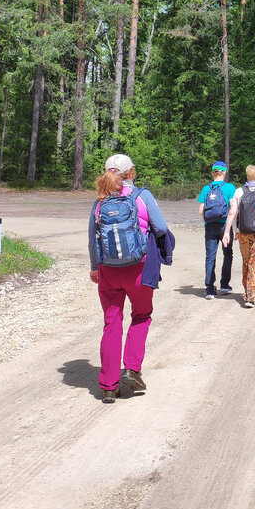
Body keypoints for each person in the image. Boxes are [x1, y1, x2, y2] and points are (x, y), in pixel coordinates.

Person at [87, 154, 173, 404]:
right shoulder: (142, 196)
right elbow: (161, 228)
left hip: (108, 270)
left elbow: (92, 238)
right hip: (139, 268)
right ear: (131, 172)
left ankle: (108, 386)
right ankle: (131, 369)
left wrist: (95, 268)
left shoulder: (100, 201)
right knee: (141, 315)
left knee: (111, 323)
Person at [221, 164, 255, 308]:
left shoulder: (239, 191)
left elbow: (233, 213)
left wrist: (228, 231)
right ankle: (251, 297)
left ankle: (247, 292)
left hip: (243, 231)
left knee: (246, 261)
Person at [197, 160, 236, 299]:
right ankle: (224, 284)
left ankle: (209, 289)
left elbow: (201, 210)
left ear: (212, 173)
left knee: (210, 256)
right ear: (224, 172)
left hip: (210, 227)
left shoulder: (206, 189)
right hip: (225, 225)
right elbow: (233, 208)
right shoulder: (230, 187)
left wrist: (207, 221)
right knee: (228, 254)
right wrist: (232, 227)